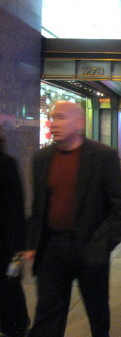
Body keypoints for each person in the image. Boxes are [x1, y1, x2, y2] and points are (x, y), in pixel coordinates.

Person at [24, 101, 121, 337]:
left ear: (79, 123)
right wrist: (32, 244)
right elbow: (38, 205)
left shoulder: (103, 156)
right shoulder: (41, 158)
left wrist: (104, 244)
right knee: (48, 312)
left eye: (60, 117)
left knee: (96, 309)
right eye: (52, 117)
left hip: (90, 246)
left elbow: (119, 205)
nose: (53, 123)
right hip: (51, 248)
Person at [0, 129, 29, 337]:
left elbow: (17, 206)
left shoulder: (7, 163)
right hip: (11, 239)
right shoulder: (8, 163)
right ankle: (17, 321)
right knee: (9, 283)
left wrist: (20, 245)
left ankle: (13, 324)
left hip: (10, 241)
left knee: (10, 281)